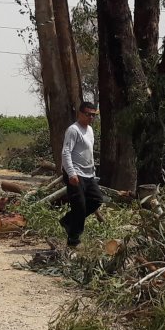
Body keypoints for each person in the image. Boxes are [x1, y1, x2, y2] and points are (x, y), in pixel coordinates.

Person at [60, 101, 103, 248]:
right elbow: (66, 152)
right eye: (88, 114)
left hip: (88, 174)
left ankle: (67, 220)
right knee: (80, 206)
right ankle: (74, 240)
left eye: (93, 115)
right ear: (80, 114)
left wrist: (93, 172)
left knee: (97, 199)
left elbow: (88, 152)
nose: (91, 117)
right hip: (75, 174)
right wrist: (71, 173)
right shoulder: (73, 130)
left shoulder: (90, 130)